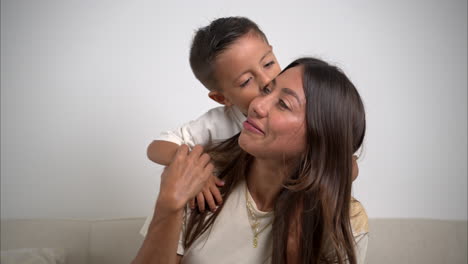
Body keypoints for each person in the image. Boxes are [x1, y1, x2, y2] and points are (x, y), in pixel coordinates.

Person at [133, 57, 368, 264]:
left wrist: (295, 238)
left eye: (284, 104)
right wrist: (169, 206)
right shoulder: (201, 180)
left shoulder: (346, 219)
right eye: (267, 91)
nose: (257, 105)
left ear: (319, 139)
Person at [141, 17, 360, 233]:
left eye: (268, 63)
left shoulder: (302, 116)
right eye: (246, 81)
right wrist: (197, 171)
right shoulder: (219, 122)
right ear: (222, 98)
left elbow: (345, 164)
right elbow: (157, 146)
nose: (266, 80)